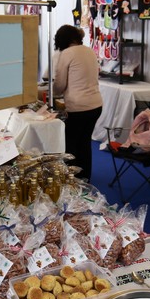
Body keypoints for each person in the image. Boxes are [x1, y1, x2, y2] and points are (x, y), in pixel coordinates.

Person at [52, 24, 103, 181]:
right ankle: (85, 176)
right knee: (85, 142)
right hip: (95, 104)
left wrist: (51, 91)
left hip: (78, 106)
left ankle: (72, 178)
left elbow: (60, 85)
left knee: (71, 143)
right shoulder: (89, 51)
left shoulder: (67, 53)